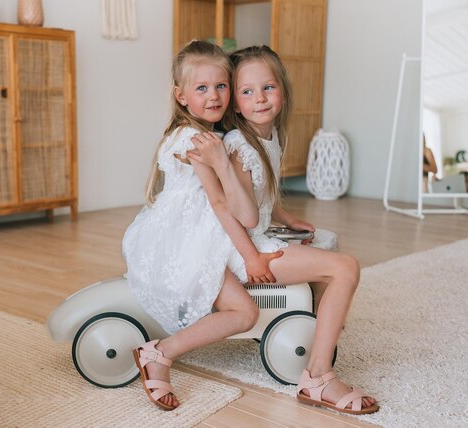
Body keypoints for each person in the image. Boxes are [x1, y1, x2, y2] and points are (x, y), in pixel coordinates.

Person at [190, 45, 379, 415]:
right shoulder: (237, 147)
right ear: (235, 104)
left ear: (282, 90)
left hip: (259, 234)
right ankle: (318, 376)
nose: (259, 98)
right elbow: (234, 210)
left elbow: (262, 192)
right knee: (345, 266)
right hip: (244, 247)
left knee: (326, 240)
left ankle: (319, 333)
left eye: (268, 87)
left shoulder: (270, 133)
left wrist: (287, 219)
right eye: (246, 91)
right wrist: (253, 256)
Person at [122, 41, 283, 411]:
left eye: (221, 86)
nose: (214, 96)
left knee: (244, 308)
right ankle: (160, 354)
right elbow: (220, 204)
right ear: (181, 96)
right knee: (244, 312)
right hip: (185, 240)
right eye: (202, 88)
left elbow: (245, 193)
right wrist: (251, 256)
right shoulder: (195, 141)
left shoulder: (211, 135)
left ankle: (160, 352)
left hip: (201, 230)